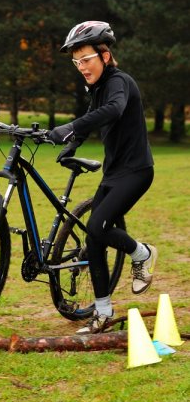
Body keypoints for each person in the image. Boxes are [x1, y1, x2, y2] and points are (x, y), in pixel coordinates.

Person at [48, 20, 157, 334]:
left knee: (97, 226)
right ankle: (103, 312)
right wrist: (72, 145)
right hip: (113, 174)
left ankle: (143, 253)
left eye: (86, 60)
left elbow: (113, 109)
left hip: (136, 172)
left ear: (105, 56)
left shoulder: (118, 82)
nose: (81, 67)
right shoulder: (96, 88)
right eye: (76, 62)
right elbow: (94, 117)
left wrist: (70, 127)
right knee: (93, 238)